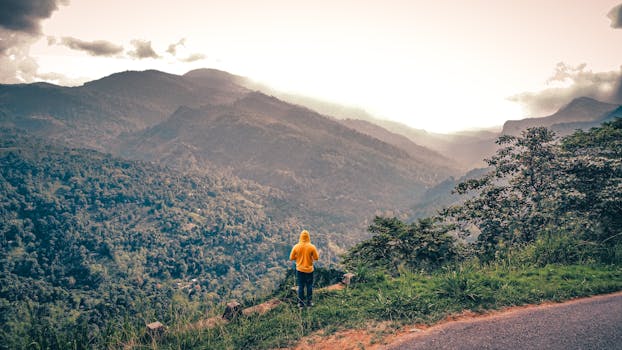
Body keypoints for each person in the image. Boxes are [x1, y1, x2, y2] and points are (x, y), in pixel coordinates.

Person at [289, 230, 319, 308]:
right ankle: (309, 303)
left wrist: (298, 257)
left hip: (300, 270)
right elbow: (316, 258)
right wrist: (309, 257)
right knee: (309, 286)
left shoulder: (296, 246)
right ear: (308, 237)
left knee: (301, 286)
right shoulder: (312, 247)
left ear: (301, 237)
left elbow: (291, 258)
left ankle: (300, 304)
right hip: (309, 270)